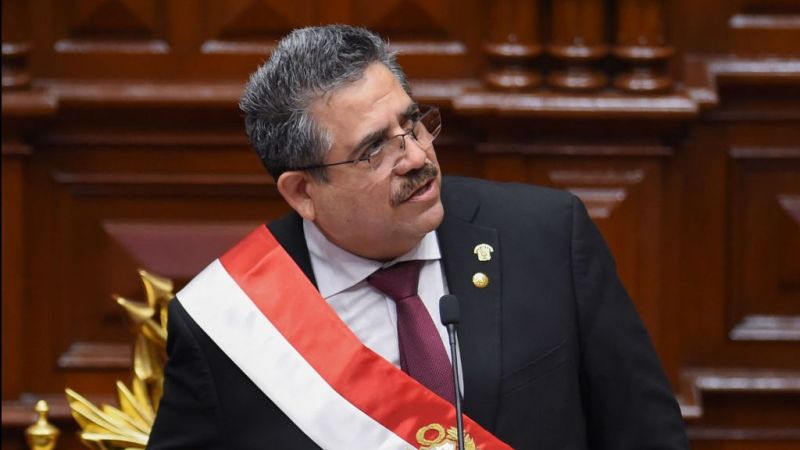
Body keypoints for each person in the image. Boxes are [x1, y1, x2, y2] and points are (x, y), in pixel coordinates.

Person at [147, 24, 688, 449]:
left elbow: (646, 434)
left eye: (413, 123)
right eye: (374, 149)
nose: (415, 156)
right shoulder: (232, 321)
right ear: (303, 191)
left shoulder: (546, 235)